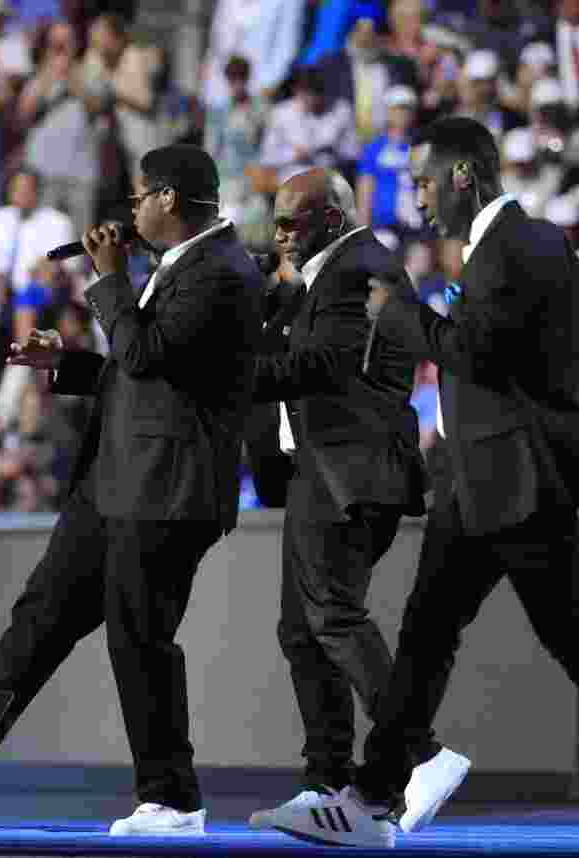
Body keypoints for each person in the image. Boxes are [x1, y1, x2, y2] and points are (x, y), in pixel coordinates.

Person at [269, 117, 579, 850]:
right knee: (425, 639)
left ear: (463, 175)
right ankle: (372, 800)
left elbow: (471, 352)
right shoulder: (523, 244)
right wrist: (541, 367)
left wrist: (405, 316)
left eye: (422, 181)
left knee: (575, 643)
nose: (417, 196)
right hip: (479, 479)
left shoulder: (516, 244)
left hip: (520, 480)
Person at [0, 144, 264, 836]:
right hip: (116, 483)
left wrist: (108, 279)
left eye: (138, 196)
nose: (131, 209)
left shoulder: (223, 269)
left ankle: (173, 800)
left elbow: (143, 354)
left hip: (167, 490)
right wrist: (67, 366)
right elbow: (143, 377)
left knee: (140, 637)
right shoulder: (181, 267)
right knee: (42, 614)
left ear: (168, 197)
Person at [246, 169, 425, 832]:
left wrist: (233, 373)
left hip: (351, 468)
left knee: (333, 617)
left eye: (292, 222)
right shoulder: (331, 272)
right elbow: (293, 342)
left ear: (334, 216)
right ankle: (332, 784)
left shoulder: (357, 269)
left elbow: (321, 364)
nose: (280, 234)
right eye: (277, 220)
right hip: (324, 469)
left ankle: (420, 751)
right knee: (304, 629)